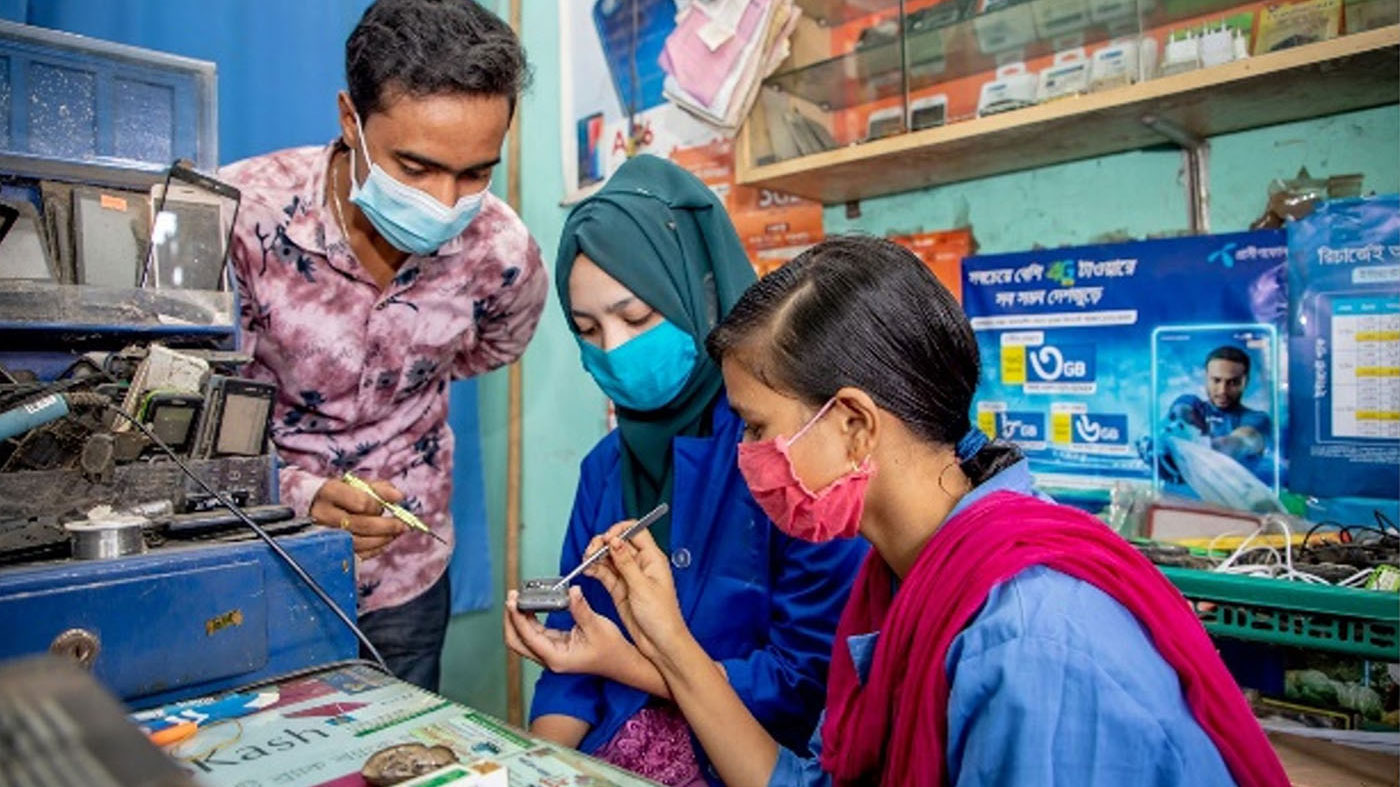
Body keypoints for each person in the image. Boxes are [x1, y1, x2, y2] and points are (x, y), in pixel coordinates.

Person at [580, 236, 1288, 786]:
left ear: (855, 424)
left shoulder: (1030, 639)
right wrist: (666, 637)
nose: (747, 456)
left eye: (757, 427)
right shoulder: (900, 581)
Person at [501, 156, 866, 786]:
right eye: (588, 329)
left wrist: (631, 664)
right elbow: (571, 650)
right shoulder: (605, 467)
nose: (614, 349)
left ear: (702, 295)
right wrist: (538, 770)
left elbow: (803, 681)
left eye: (637, 318)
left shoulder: (789, 458)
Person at [223, 0, 546, 691]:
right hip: (259, 555)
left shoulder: (502, 250)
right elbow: (190, 420)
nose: (445, 200)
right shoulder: (241, 218)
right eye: (416, 168)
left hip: (409, 572)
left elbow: (493, 346)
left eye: (475, 173)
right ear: (351, 121)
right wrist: (299, 493)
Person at [1168, 345, 1273, 474]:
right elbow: (1180, 415)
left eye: (1233, 382)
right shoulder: (1191, 403)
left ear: (1245, 382)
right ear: (1206, 378)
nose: (1223, 391)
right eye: (1216, 380)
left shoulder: (1257, 419)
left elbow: (1238, 442)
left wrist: (1201, 446)